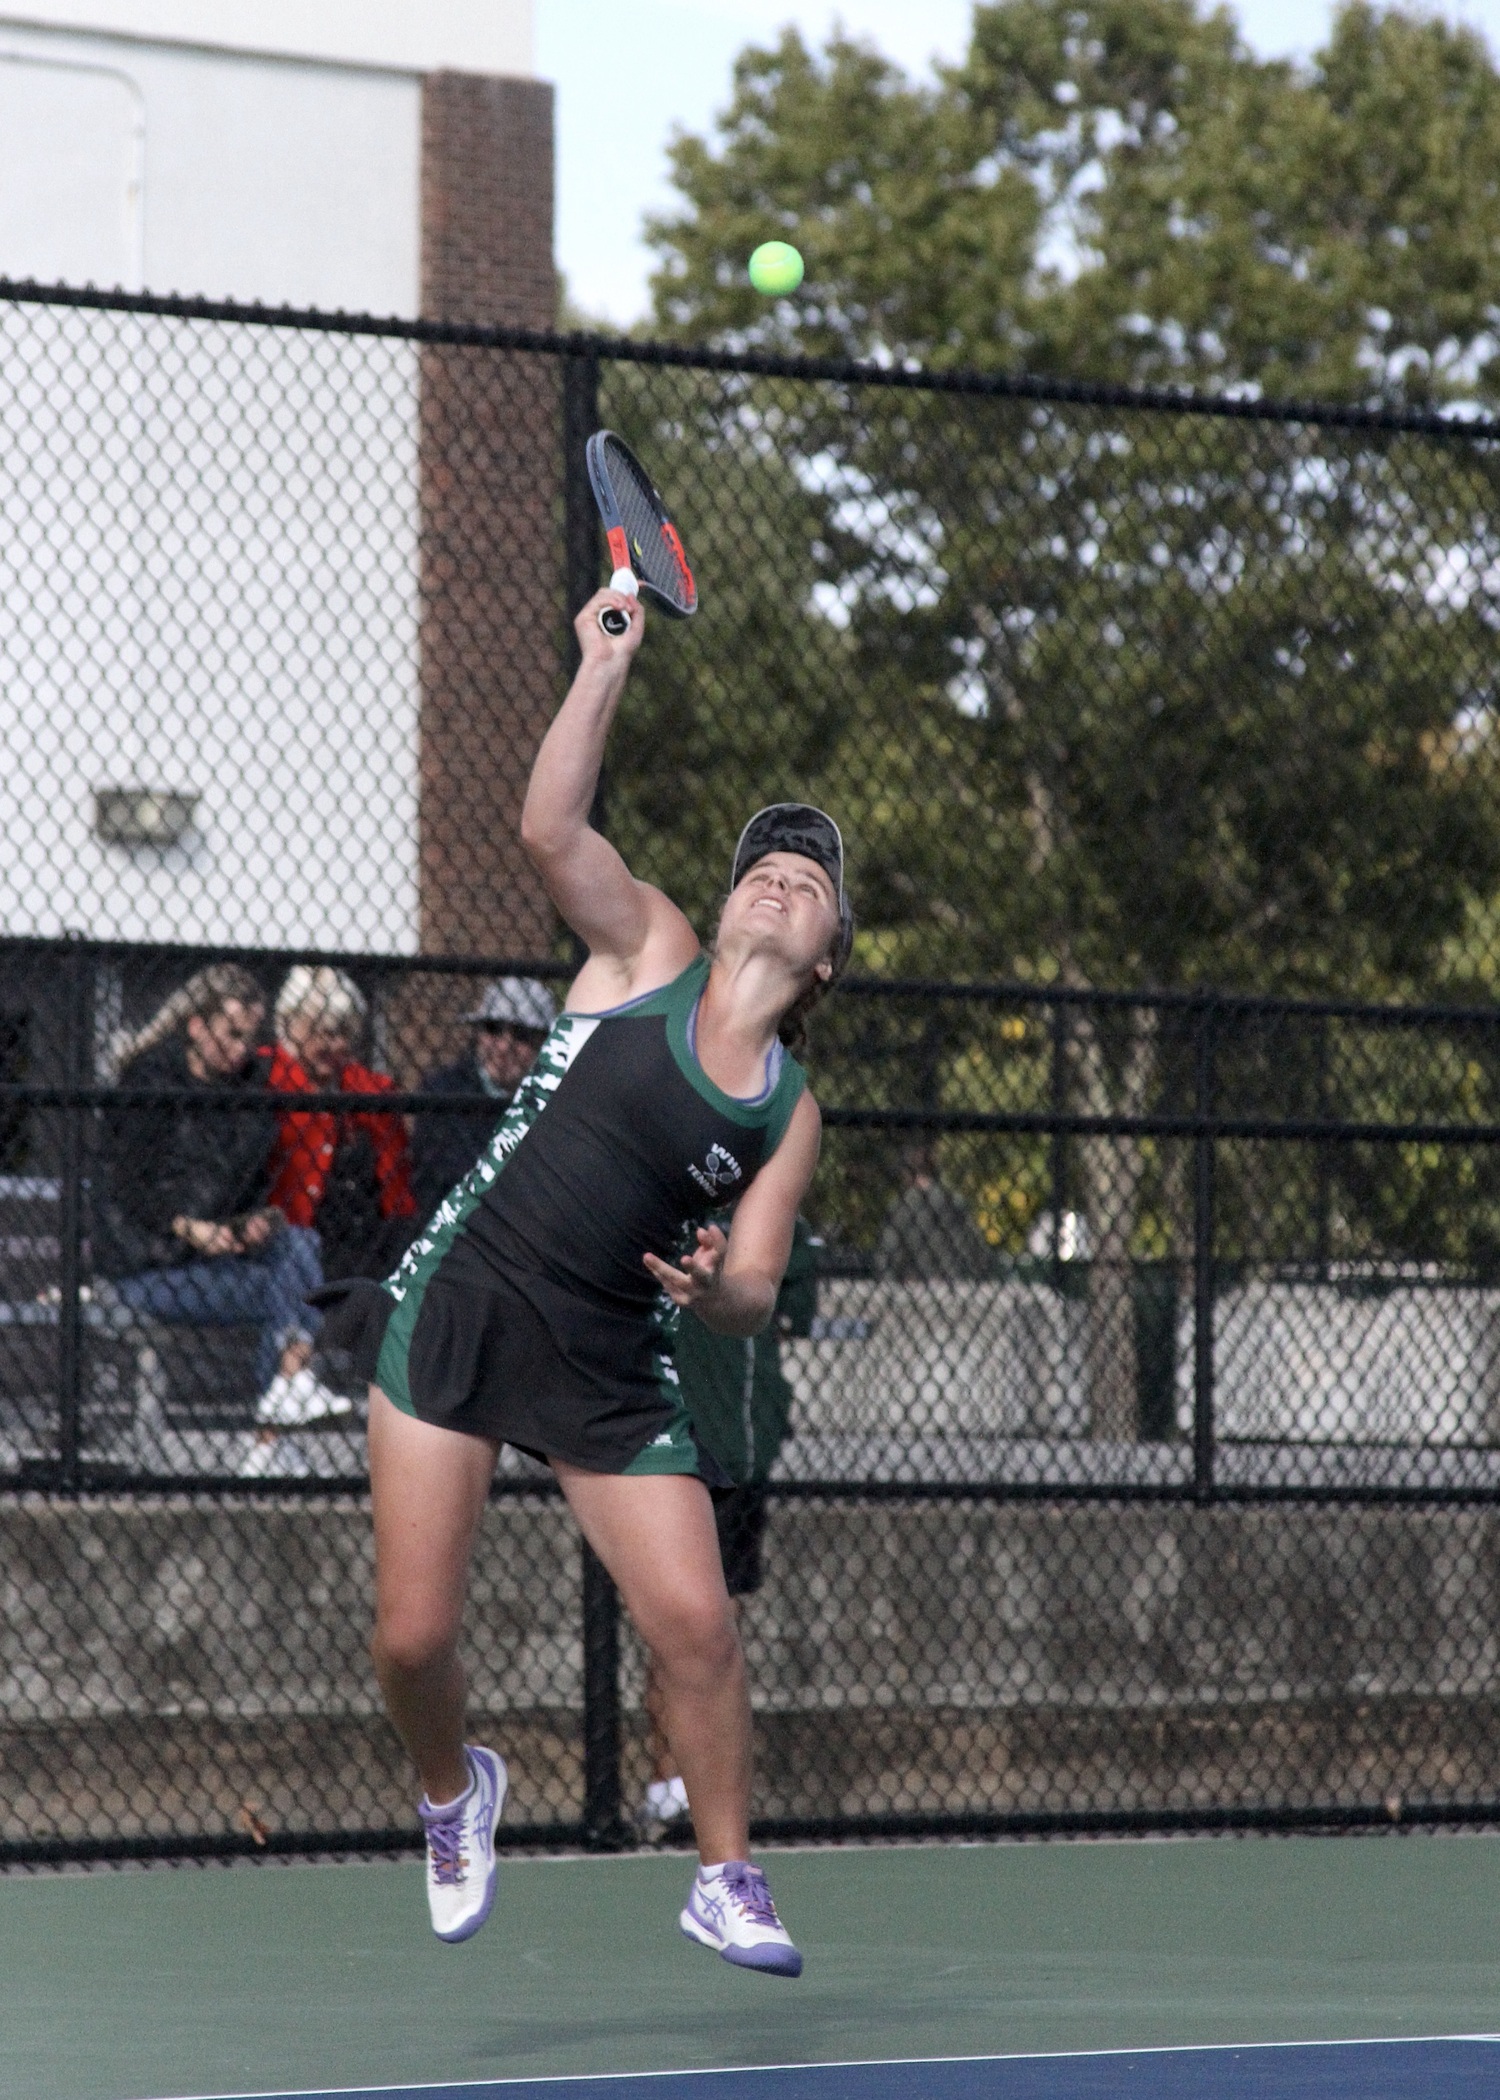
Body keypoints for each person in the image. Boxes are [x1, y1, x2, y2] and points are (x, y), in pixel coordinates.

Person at [320, 582, 853, 1975]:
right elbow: (548, 829)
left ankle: (726, 1876)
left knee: (698, 1625)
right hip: (470, 1298)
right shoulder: (649, 951)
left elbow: (752, 1285)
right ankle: (454, 1794)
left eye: (809, 879)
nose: (779, 875)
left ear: (827, 961)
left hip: (614, 1355)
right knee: (412, 1637)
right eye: (764, 863)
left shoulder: (786, 1114)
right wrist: (599, 665)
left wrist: (711, 1291)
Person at [92, 963, 345, 1429]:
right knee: (287, 1290)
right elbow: (127, 1191)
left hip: (215, 1261)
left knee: (301, 1244)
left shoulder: (248, 1093)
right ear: (196, 1026)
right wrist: (189, 1229)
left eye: (249, 1037)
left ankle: (285, 1398)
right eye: (230, 1034)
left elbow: (251, 1194)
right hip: (147, 1266)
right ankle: (273, 1431)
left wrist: (256, 1222)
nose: (241, 1050)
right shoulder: (148, 1082)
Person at [640, 1214, 818, 1834]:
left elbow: (794, 1303)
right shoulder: (651, 1195)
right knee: (673, 1623)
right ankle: (667, 1785)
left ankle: (699, 1793)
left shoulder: (772, 1219)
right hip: (664, 1446)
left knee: (721, 1623)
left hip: (738, 1457)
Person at [259, 966, 417, 1427]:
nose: (332, 1044)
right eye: (320, 1032)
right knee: (290, 1273)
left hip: (357, 1247)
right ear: (289, 1027)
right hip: (287, 1245)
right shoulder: (264, 1077)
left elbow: (397, 1195)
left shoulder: (369, 1092)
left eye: (342, 1033)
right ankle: (273, 1429)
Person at [410, 978, 558, 1221]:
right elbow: (439, 1179)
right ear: (478, 1034)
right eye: (493, 1029)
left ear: (544, 1043)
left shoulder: (555, 1100)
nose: (503, 1047)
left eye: (521, 1035)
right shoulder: (443, 1092)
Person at [873, 1139, 995, 1282]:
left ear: (906, 1172)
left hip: (912, 1286)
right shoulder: (954, 1201)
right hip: (953, 1285)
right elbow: (977, 1249)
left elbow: (888, 1254)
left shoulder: (900, 1206)